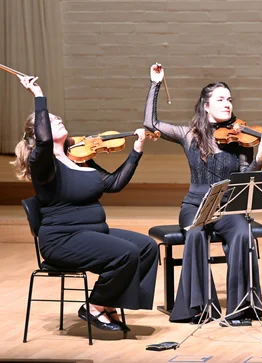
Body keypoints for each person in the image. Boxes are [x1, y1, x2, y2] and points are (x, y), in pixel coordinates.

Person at [12, 76, 159, 332]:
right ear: (39, 133)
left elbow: (113, 184)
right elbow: (44, 142)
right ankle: (94, 306)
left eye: (57, 117)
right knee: (126, 253)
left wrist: (136, 150)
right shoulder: (42, 165)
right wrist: (38, 95)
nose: (58, 120)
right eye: (51, 120)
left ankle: (108, 303)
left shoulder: (78, 157)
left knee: (147, 247)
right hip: (62, 239)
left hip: (93, 232)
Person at [143, 64, 262, 323]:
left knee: (243, 233)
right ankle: (200, 307)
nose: (227, 104)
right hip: (195, 206)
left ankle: (241, 308)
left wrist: (259, 158)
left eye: (229, 99)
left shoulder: (240, 138)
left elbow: (245, 179)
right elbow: (151, 123)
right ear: (206, 106)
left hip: (227, 208)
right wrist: (155, 84)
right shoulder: (188, 135)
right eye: (221, 99)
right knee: (195, 233)